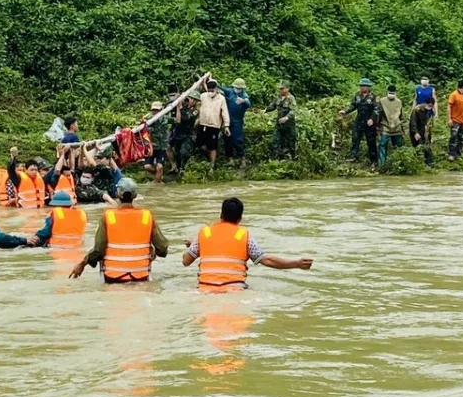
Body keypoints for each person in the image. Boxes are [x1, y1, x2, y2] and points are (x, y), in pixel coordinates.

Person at [183, 198, 313, 291]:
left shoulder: (204, 233)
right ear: (240, 219)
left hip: (204, 290)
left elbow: (185, 261)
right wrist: (296, 263)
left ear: (221, 215)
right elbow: (266, 260)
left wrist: (196, 244)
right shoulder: (244, 235)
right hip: (234, 290)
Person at [69, 178, 170, 282]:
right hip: (141, 276)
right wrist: (154, 253)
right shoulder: (147, 216)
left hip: (112, 278)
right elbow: (162, 248)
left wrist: (82, 264)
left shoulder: (108, 216)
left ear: (117, 194)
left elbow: (99, 249)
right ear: (135, 196)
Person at [339, 77, 379, 166]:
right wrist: (345, 111)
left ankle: (374, 161)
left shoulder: (374, 97)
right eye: (361, 86)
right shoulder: (357, 95)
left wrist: (372, 119)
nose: (361, 88)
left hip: (369, 122)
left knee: (371, 142)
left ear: (368, 87)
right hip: (359, 120)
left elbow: (376, 109)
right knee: (355, 138)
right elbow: (353, 105)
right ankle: (353, 157)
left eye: (363, 86)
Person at [196, 79, 231, 169]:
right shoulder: (203, 96)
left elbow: (225, 112)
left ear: (216, 89)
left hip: (214, 125)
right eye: (209, 91)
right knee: (200, 145)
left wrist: (226, 126)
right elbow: (197, 104)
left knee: (213, 146)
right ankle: (210, 157)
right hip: (203, 124)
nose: (210, 93)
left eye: (212, 91)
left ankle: (212, 165)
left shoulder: (221, 99)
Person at [220, 78, 251, 168]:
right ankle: (230, 159)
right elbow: (220, 87)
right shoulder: (230, 92)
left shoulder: (244, 95)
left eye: (238, 88)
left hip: (237, 122)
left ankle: (242, 159)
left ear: (242, 88)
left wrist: (243, 101)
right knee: (227, 140)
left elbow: (249, 104)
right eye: (236, 87)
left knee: (237, 141)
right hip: (227, 121)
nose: (237, 89)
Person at [265, 82, 297, 160]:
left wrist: (287, 117)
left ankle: (293, 157)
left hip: (289, 124)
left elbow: (294, 110)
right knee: (276, 140)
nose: (280, 90)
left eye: (282, 88)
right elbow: (272, 106)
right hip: (279, 123)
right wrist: (265, 110)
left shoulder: (291, 98)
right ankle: (276, 158)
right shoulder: (277, 97)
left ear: (287, 89)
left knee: (291, 141)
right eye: (280, 88)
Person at [169, 92, 199, 173]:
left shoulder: (195, 111)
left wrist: (180, 108)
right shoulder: (184, 105)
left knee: (185, 153)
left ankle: (184, 168)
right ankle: (178, 169)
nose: (191, 100)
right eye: (191, 98)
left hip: (188, 134)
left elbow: (183, 119)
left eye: (194, 99)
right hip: (178, 133)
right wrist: (178, 98)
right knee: (177, 153)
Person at [377, 85, 406, 165]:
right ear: (387, 92)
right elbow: (379, 114)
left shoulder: (399, 102)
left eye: (392, 93)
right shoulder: (382, 101)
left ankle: (399, 165)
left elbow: (401, 116)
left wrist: (403, 127)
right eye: (390, 93)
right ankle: (382, 165)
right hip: (385, 126)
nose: (391, 94)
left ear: (395, 93)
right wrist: (377, 126)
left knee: (398, 148)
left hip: (397, 128)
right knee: (382, 146)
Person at [143, 101, 170, 183]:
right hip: (151, 146)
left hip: (162, 146)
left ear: (161, 110)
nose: (155, 112)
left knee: (159, 166)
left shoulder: (166, 118)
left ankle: (156, 183)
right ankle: (159, 176)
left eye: (157, 110)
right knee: (147, 166)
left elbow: (177, 121)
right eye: (154, 110)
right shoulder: (148, 118)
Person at [447, 80, 463, 161]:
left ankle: (459, 154)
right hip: (455, 119)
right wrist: (449, 119)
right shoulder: (454, 94)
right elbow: (449, 107)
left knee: (461, 137)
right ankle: (451, 154)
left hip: (462, 120)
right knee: (453, 136)